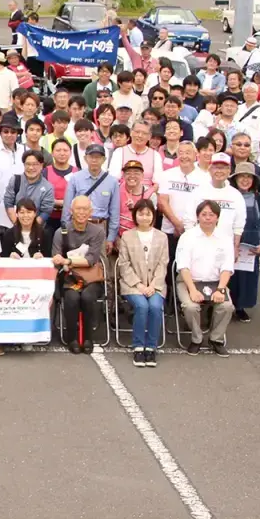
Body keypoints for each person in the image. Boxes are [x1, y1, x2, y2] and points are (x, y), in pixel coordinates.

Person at [174, 200, 235, 356]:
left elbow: (227, 268)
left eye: (211, 215)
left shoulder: (225, 238)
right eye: (204, 214)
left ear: (217, 217)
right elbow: (183, 266)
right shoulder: (188, 237)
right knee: (190, 306)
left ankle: (216, 339)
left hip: (215, 283)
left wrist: (221, 289)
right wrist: (193, 290)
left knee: (227, 306)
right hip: (189, 282)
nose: (208, 218)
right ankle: (196, 339)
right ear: (198, 217)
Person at [116, 197, 167, 367]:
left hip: (155, 285)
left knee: (155, 306)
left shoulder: (162, 237)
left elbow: (163, 264)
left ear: (153, 216)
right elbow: (124, 264)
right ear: (135, 215)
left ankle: (151, 347)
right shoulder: (127, 236)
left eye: (148, 214)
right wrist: (139, 285)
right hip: (132, 285)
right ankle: (138, 347)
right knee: (142, 306)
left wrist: (153, 285)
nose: (144, 217)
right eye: (141, 214)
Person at [52, 196, 106, 354]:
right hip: (69, 278)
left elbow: (91, 260)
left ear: (91, 212)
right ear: (71, 211)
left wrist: (68, 261)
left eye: (85, 209)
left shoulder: (98, 231)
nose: (81, 212)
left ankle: (88, 338)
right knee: (72, 298)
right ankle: (72, 338)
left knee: (88, 297)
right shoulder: (60, 232)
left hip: (91, 278)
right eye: (78, 209)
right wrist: (61, 260)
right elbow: (56, 257)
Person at [230, 162, 260, 323]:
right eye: (241, 176)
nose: (245, 180)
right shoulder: (229, 196)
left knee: (246, 278)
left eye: (248, 177)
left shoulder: (258, 198)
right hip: (231, 240)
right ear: (235, 179)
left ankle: (240, 307)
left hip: (250, 243)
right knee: (229, 276)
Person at [62, 144, 120, 244]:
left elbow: (114, 212)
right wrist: (65, 231)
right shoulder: (75, 178)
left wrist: (110, 238)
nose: (94, 160)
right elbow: (67, 208)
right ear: (85, 158)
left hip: (100, 226)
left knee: (99, 254)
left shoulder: (112, 182)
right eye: (91, 157)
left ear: (104, 160)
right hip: (77, 226)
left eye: (98, 157)